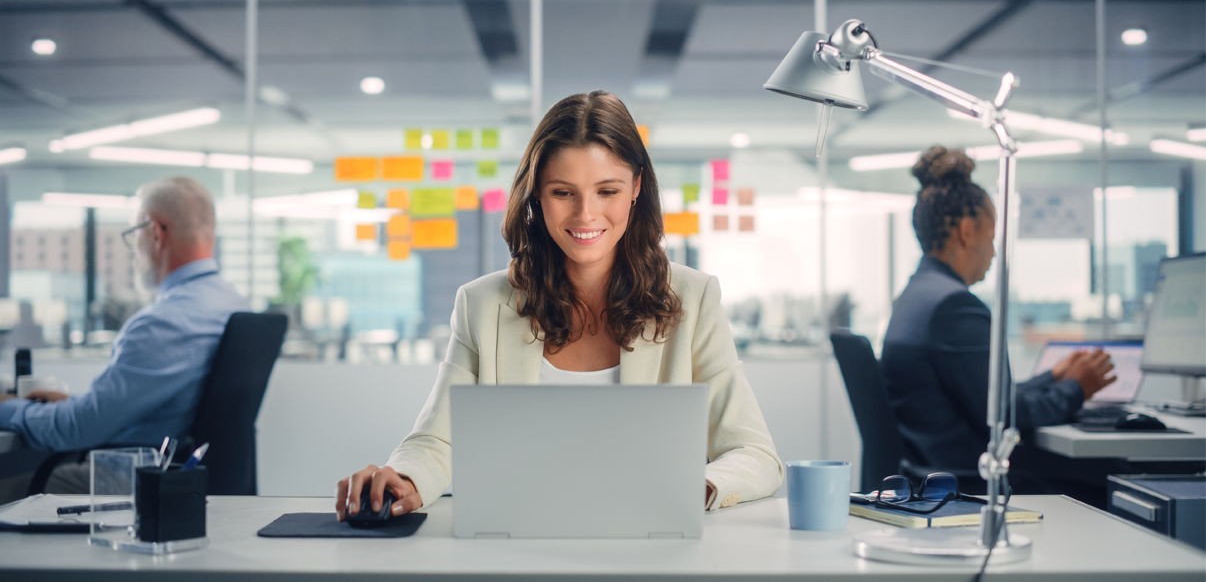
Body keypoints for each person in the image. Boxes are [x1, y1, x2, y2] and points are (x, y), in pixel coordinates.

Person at [337, 91, 784, 520]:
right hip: (518, 539)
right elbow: (438, 440)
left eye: (606, 191)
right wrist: (404, 477)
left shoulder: (693, 298)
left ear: (636, 187)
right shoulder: (482, 305)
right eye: (563, 192)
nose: (586, 215)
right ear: (536, 194)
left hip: (652, 542)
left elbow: (754, 454)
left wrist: (695, 488)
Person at [880, 146, 1117, 496]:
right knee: (1116, 473)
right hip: (972, 479)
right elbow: (1003, 415)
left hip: (931, 471)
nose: (993, 251)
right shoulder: (954, 306)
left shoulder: (916, 296)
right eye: (991, 236)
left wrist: (1053, 376)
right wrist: (1076, 388)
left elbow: (985, 397)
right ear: (966, 231)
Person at [0, 177, 248, 493]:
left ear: (155, 234)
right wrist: (78, 404)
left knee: (9, 488)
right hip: (183, 475)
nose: (134, 250)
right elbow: (163, 407)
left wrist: (7, 407)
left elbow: (76, 430)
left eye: (134, 235)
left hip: (140, 479)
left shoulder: (163, 324)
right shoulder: (232, 303)